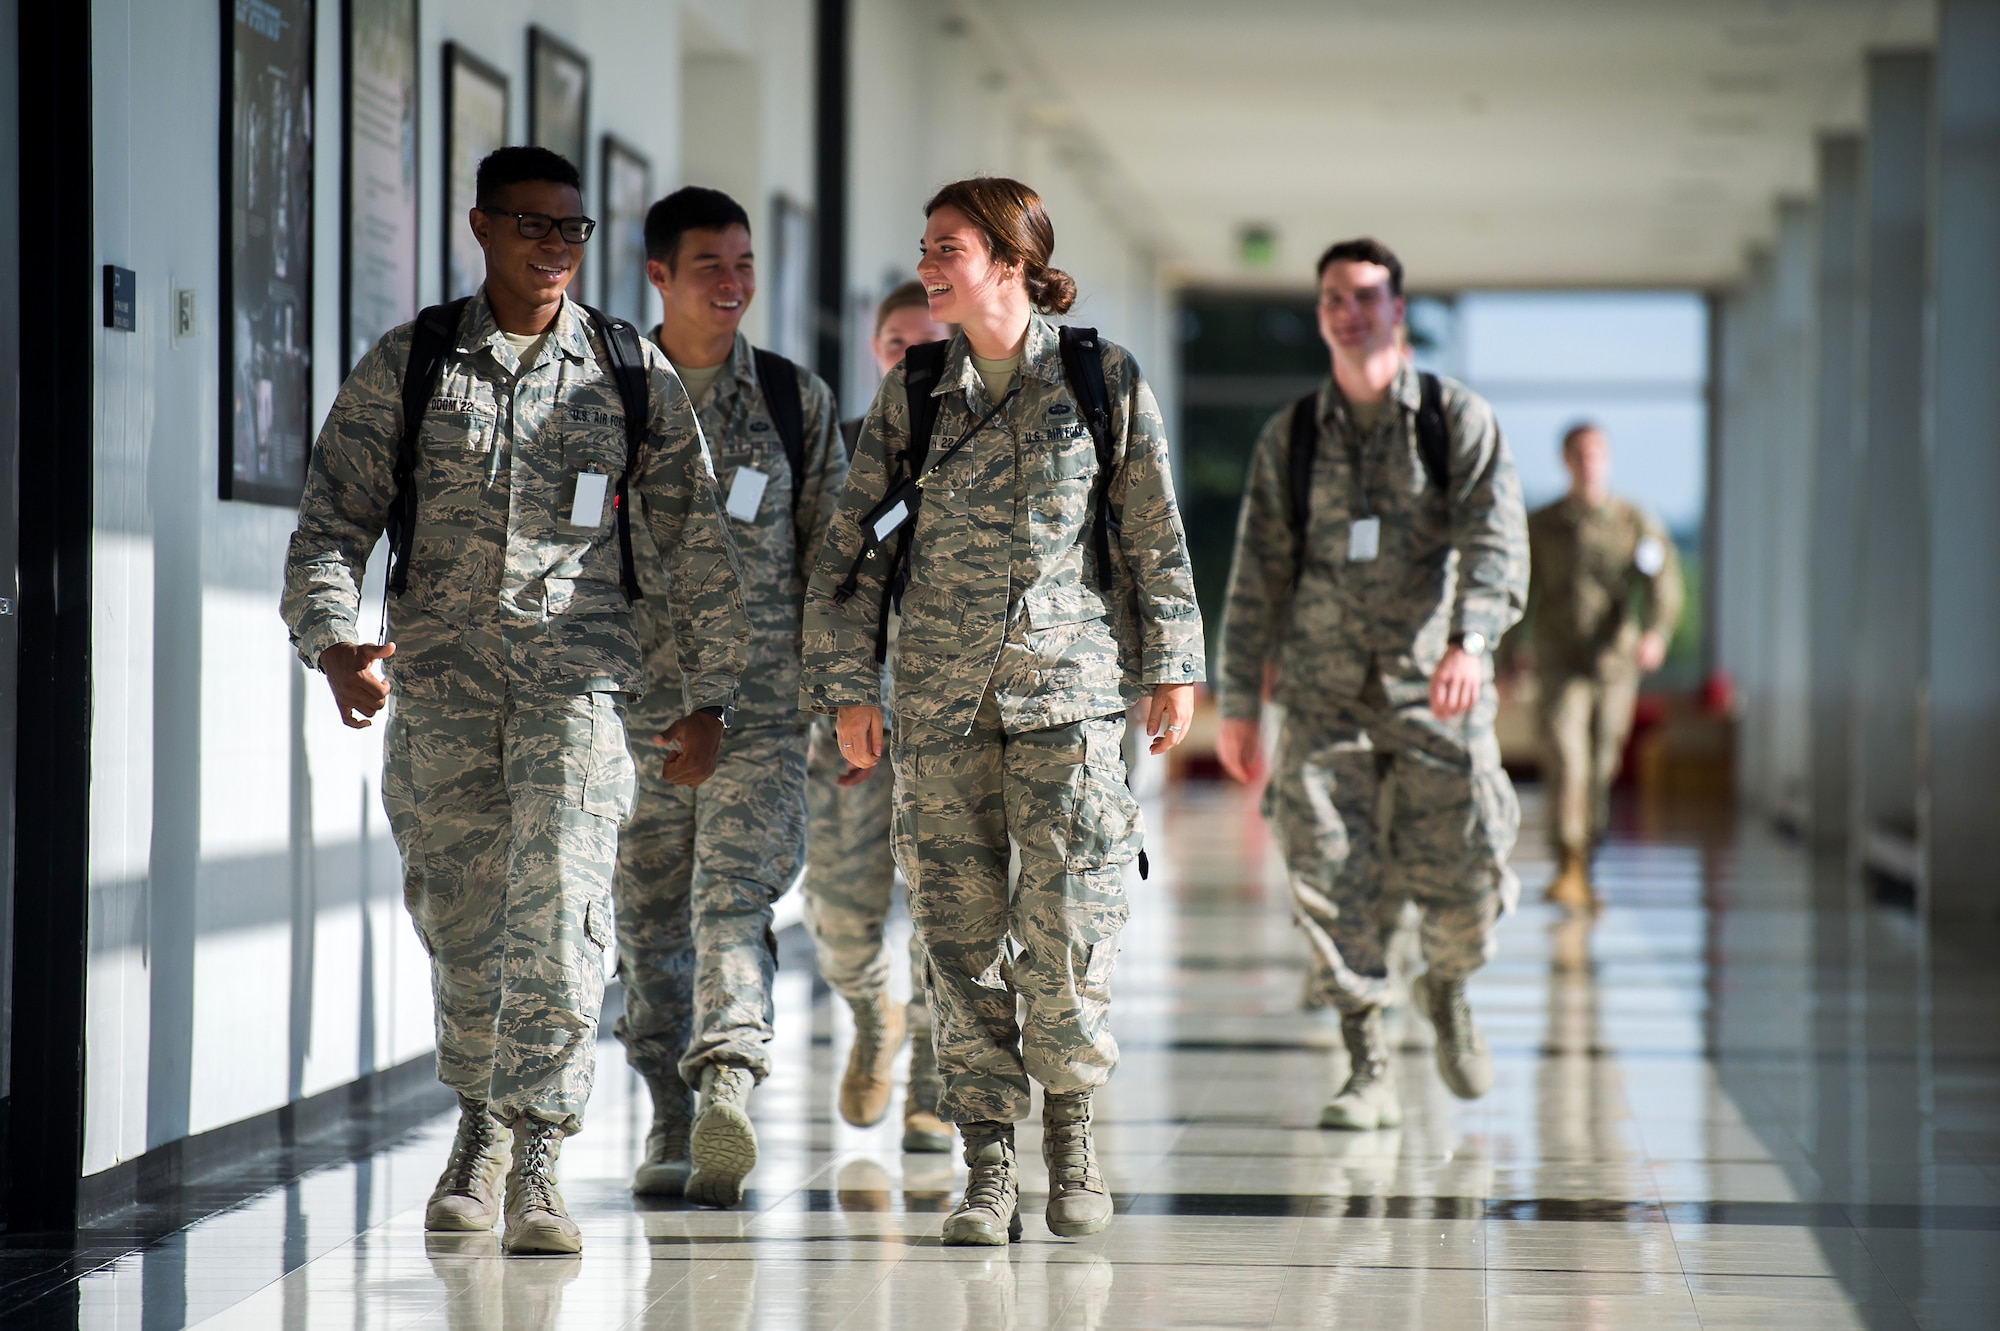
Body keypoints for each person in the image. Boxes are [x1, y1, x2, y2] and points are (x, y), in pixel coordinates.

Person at [282, 147, 747, 1255]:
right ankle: (478, 1120)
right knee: (459, 923)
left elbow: (693, 538)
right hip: (442, 695)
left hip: (581, 693)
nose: (553, 249)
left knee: (562, 919)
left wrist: (710, 694)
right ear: (482, 227)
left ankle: (535, 1156)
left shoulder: (627, 370)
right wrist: (335, 638)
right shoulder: (415, 363)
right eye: (533, 227)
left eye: (572, 231)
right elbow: (334, 520)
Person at [803, 176, 1205, 1246]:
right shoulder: (916, 388)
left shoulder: (1096, 375)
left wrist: (1172, 665)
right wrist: (848, 687)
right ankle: (985, 1165)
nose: (927, 265)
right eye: (925, 248)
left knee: (1068, 925)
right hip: (937, 705)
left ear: (1010, 262)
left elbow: (1152, 530)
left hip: (1068, 700)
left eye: (946, 248)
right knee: (958, 937)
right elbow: (852, 551)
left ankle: (1069, 1136)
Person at [1215, 237, 1528, 1134]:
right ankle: (1367, 1062)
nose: (1348, 312)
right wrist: (1241, 701)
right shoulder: (1295, 436)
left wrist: (1472, 641)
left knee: (1468, 874)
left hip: (1438, 689)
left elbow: (1495, 540)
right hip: (1320, 694)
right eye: (1332, 299)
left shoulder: (1453, 419)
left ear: (1397, 308)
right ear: (1320, 316)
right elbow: (1257, 574)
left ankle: (1449, 984)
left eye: (1364, 295)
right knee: (1327, 873)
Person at [612, 186, 845, 1210]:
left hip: (757, 706)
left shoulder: (794, 402)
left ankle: (726, 1082)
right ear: (657, 273)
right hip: (633, 711)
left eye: (744, 263)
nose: (732, 283)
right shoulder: (604, 396)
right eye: (709, 263)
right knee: (646, 915)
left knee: (732, 898)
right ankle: (669, 1107)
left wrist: (847, 695)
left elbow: (835, 564)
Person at [802, 280, 956, 1154]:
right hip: (848, 725)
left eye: (926, 344)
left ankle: (933, 1078)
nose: (909, 357)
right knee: (841, 907)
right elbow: (817, 591)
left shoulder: (980, 450)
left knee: (948, 908)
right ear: (875, 349)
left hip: (947, 727)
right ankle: (874, 1016)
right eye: (896, 342)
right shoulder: (844, 458)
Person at [1523, 423, 1683, 910]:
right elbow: (1519, 591)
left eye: (1595, 453)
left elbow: (1663, 582)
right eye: (1578, 454)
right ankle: (1567, 858)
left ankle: (1587, 857)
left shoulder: (1632, 521)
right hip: (1557, 657)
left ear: (1607, 459)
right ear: (1565, 460)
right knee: (1566, 755)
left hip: (1612, 661)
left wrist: (1655, 631)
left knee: (1601, 760)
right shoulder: (1544, 524)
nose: (1587, 462)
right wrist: (1506, 655)